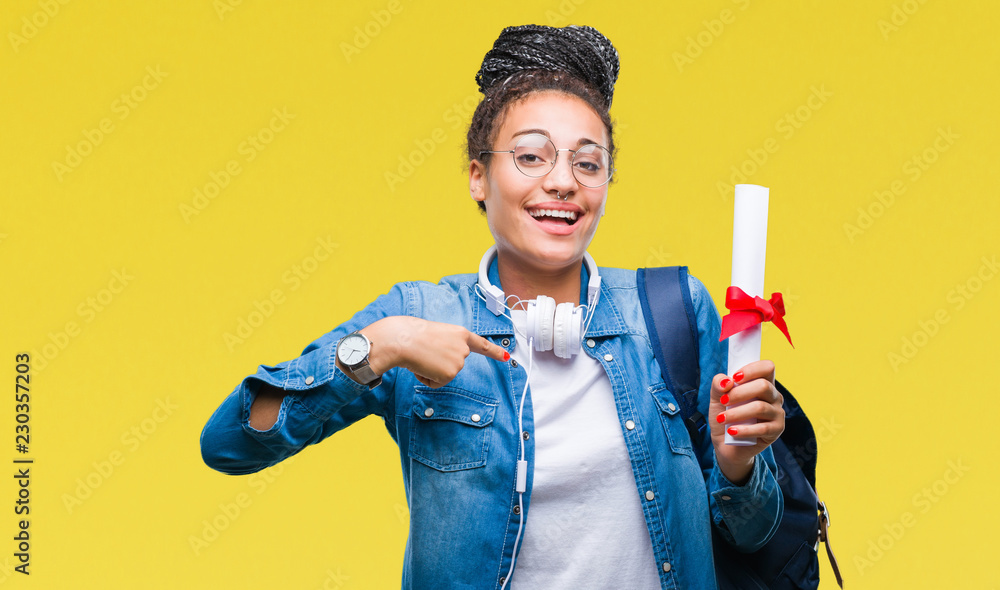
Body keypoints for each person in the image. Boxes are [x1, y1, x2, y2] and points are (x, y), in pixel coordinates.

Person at [200, 24, 785, 590]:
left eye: (588, 162)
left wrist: (738, 465)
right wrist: (382, 346)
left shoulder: (672, 310)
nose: (562, 181)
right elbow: (231, 443)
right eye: (531, 156)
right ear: (479, 177)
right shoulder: (418, 314)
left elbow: (754, 534)